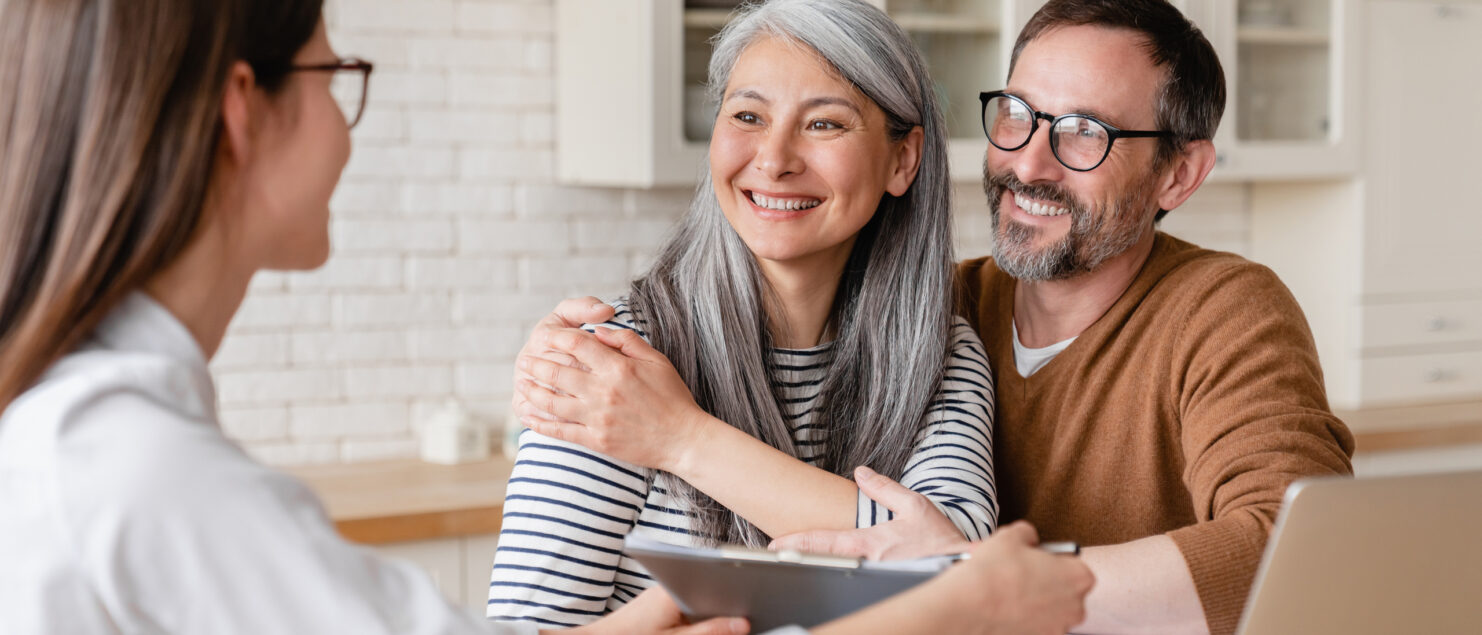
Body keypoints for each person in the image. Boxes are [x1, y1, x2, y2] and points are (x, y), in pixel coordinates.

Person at [520, 1, 1355, 635]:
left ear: (1180, 175)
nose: (1029, 161)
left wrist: (977, 583)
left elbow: (1300, 551)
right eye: (1019, 116)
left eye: (1083, 134)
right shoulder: (945, 310)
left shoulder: (1212, 312)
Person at [0, 0, 736, 633]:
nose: (346, 130)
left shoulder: (80, 425)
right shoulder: (131, 461)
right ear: (241, 108)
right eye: (335, 76)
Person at [491, 0, 998, 628]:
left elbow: (955, 561)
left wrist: (681, 437)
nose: (774, 158)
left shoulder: (939, 350)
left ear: (903, 160)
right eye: (748, 115)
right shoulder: (617, 365)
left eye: (824, 124)